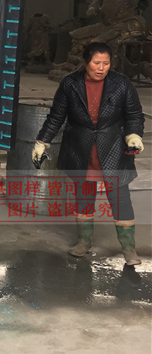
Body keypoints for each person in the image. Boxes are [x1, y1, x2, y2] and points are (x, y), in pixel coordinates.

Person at [32, 41, 145, 265]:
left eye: (106, 63)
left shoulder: (121, 84)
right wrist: (42, 142)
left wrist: (133, 135)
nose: (101, 68)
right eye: (96, 63)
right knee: (84, 197)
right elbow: (56, 116)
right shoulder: (70, 84)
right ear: (85, 62)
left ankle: (129, 248)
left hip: (113, 149)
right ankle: (84, 241)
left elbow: (134, 114)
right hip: (81, 149)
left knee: (121, 200)